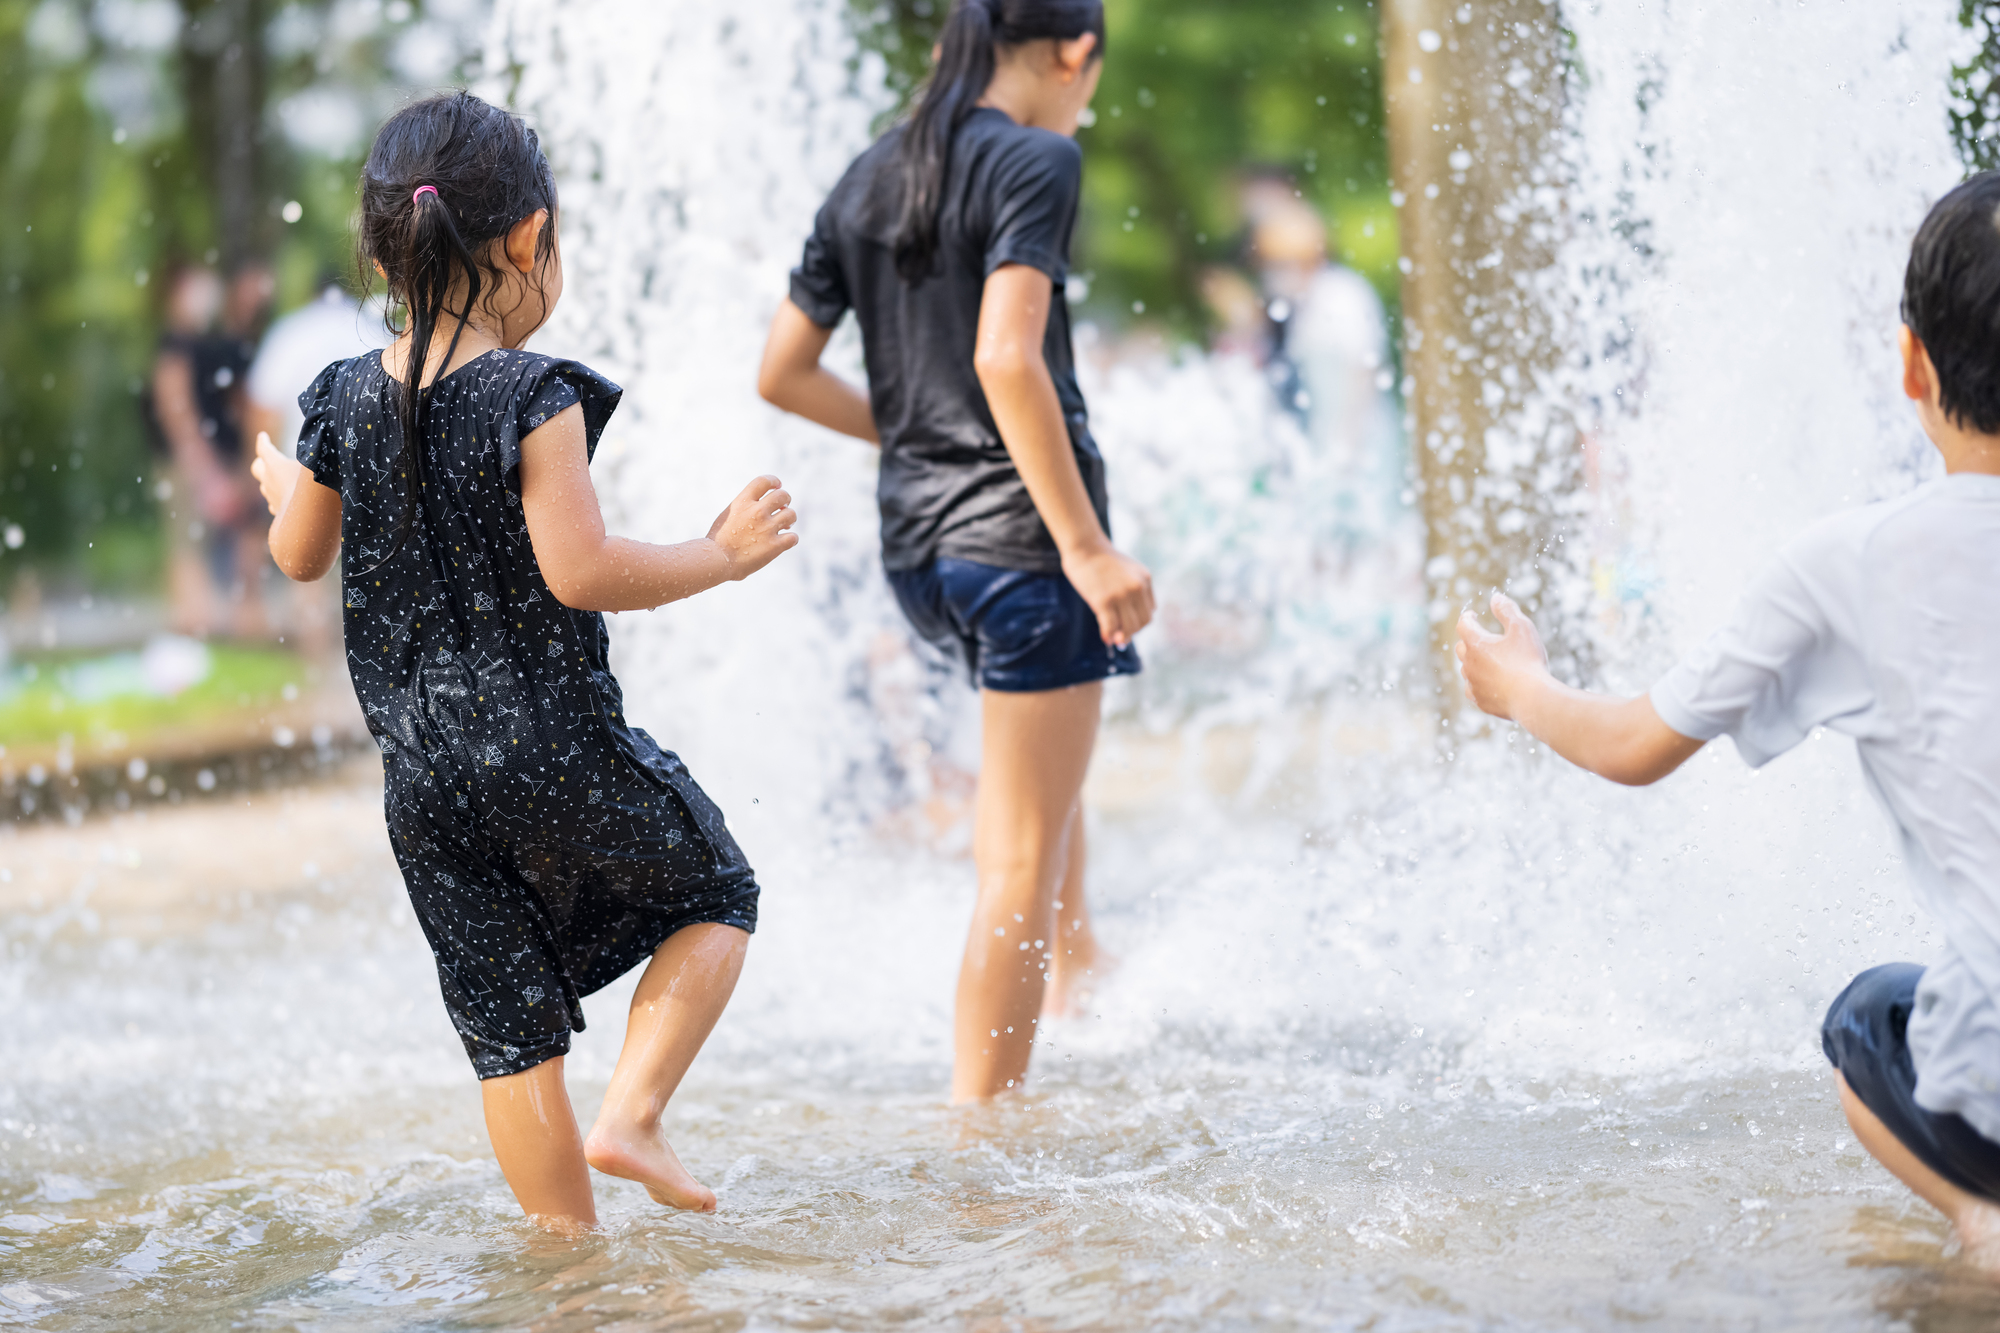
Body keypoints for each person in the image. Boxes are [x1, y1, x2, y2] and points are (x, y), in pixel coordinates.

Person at [249, 92, 798, 1232]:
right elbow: (581, 569)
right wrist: (719, 553)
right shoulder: (528, 396)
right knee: (716, 892)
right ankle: (633, 1114)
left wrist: (281, 489)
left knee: (508, 1039)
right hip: (550, 748)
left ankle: (564, 1264)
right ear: (526, 242)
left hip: (424, 786)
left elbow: (297, 555)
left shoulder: (340, 395)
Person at [1455, 172, 2000, 1264]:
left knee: (1867, 1018)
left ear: (1908, 362)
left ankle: (1982, 1222)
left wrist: (1517, 688)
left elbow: (1628, 746)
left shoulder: (1844, 562)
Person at [758, 0, 1153, 1103]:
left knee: (1040, 790)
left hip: (923, 555)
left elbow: (781, 370)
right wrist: (1086, 547)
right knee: (1014, 855)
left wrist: (919, 431)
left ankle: (1080, 978)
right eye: (1091, 82)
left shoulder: (867, 173)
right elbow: (1003, 358)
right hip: (1025, 548)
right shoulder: (1036, 161)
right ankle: (984, 1127)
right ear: (1072, 54)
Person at [245, 274, 391, 655]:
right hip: (374, 463)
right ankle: (377, 660)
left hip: (307, 461)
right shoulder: (371, 326)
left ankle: (318, 661)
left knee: (308, 565)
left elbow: (263, 405)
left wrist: (265, 460)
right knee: (376, 565)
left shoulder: (291, 331)